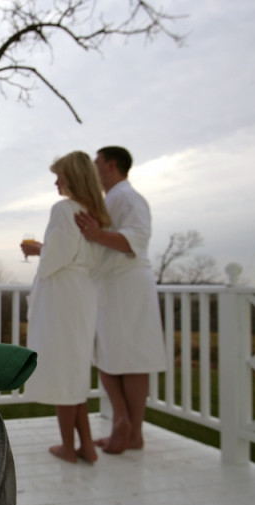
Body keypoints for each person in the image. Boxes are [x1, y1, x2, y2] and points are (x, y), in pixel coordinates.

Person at [74, 146, 166, 454]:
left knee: (131, 359)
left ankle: (129, 429)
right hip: (110, 286)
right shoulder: (110, 199)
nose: (94, 168)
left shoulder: (128, 197)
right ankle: (125, 426)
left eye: (97, 163)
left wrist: (96, 233)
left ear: (111, 165)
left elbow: (135, 239)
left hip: (127, 284)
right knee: (108, 357)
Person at [21, 151, 111, 464]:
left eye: (59, 175)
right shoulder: (96, 214)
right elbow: (75, 254)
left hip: (62, 298)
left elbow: (54, 261)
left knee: (62, 371)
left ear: (72, 178)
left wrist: (39, 254)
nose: (56, 182)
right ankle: (85, 445)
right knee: (73, 372)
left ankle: (68, 448)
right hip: (82, 294)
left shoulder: (64, 209)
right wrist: (45, 251)